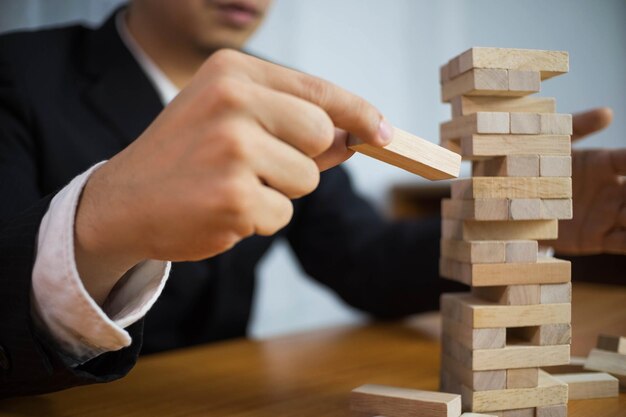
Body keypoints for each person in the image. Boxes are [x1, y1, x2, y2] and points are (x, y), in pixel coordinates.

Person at [0, 0, 623, 397]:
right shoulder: (18, 69)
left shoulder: (281, 95)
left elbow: (362, 258)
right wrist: (103, 220)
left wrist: (520, 222)